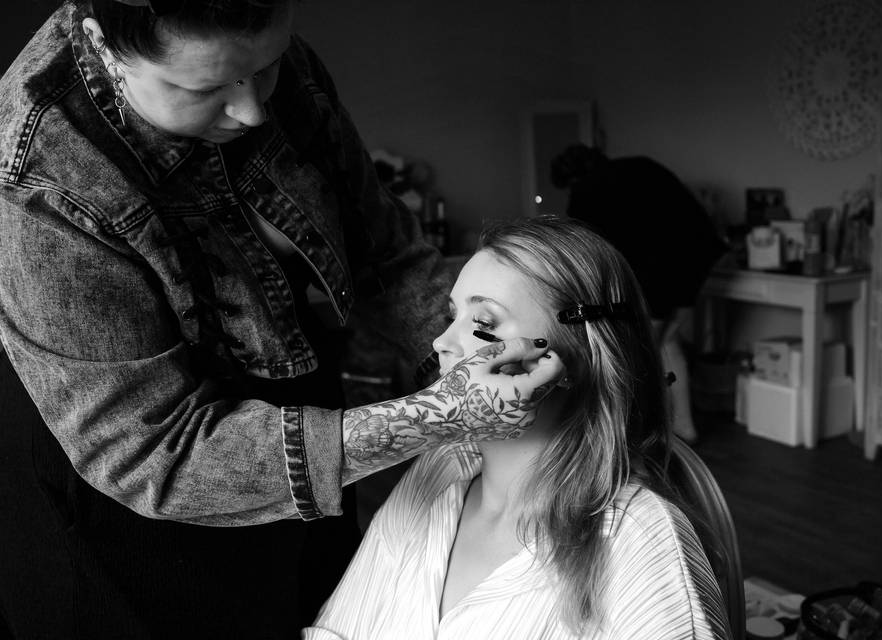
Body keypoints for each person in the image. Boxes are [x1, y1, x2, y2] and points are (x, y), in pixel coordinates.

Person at [0, 2, 562, 638]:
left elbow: (385, 254)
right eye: (203, 87)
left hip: (299, 403)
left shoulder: (274, 67)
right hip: (131, 470)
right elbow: (149, 451)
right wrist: (437, 415)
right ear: (102, 41)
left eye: (264, 70)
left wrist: (473, 358)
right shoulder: (36, 171)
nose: (252, 111)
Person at [304, 216, 731, 639]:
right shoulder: (440, 472)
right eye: (452, 314)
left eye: (484, 323)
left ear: (569, 359)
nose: (440, 342)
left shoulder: (642, 545)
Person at [551, 144, 729, 444]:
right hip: (693, 264)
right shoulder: (641, 166)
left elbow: (584, 247)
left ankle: (630, 435)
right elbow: (694, 222)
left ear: (572, 178)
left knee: (635, 353)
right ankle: (684, 426)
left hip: (656, 274)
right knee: (667, 344)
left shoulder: (588, 191)